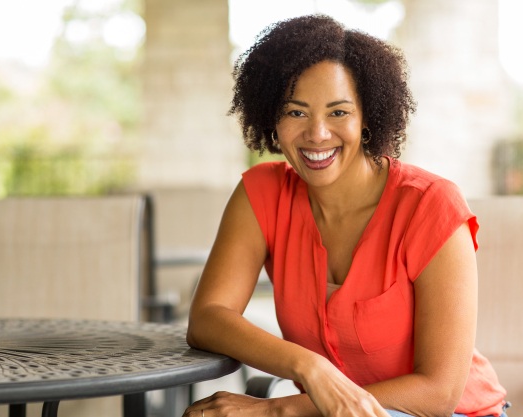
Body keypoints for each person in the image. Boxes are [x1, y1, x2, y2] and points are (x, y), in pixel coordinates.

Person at [182, 14, 508, 417]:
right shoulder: (262, 194)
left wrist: (277, 409)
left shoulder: (431, 206)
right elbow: (208, 318)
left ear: (367, 116)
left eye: (338, 112)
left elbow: (438, 394)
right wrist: (310, 368)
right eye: (296, 112)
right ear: (272, 117)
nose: (317, 133)